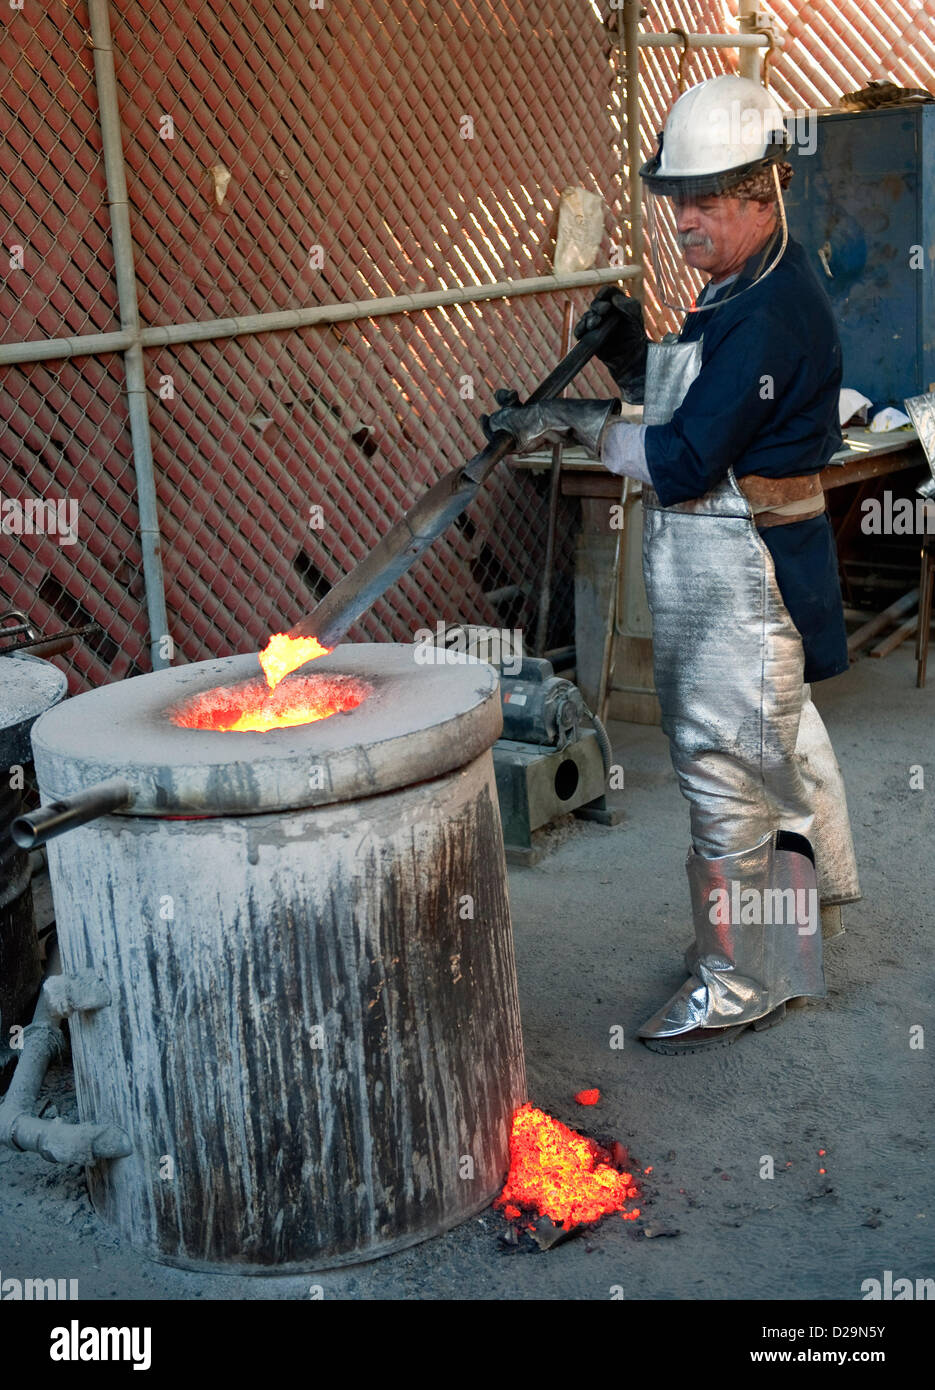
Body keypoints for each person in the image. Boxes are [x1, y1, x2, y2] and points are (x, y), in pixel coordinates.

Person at [483, 75, 860, 1054]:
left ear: (764, 188)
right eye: (675, 200)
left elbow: (689, 454)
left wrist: (565, 421)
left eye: (706, 201)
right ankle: (795, 932)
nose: (683, 220)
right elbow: (701, 400)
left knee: (720, 767)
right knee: (774, 750)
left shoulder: (767, 313)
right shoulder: (739, 284)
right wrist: (629, 360)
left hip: (745, 566)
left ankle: (740, 978)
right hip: (738, 555)